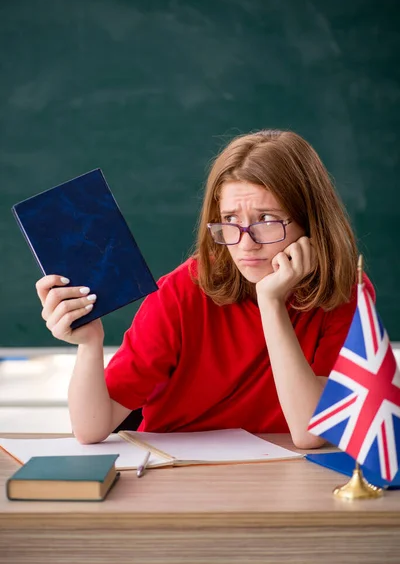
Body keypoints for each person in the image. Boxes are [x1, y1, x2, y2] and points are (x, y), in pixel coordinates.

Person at [36, 129, 368, 448]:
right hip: (178, 479)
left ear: (310, 224)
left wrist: (271, 303)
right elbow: (91, 428)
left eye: (266, 220)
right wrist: (90, 344)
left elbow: (310, 433)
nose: (245, 244)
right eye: (230, 220)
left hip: (284, 477)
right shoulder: (183, 291)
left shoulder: (344, 290)